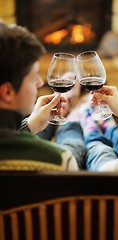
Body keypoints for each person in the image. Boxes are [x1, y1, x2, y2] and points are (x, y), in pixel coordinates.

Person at [0, 20, 83, 171]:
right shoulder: (59, 160)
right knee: (72, 140)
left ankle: (62, 114)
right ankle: (71, 117)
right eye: (33, 77)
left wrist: (31, 124)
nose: (39, 83)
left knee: (45, 125)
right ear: (7, 92)